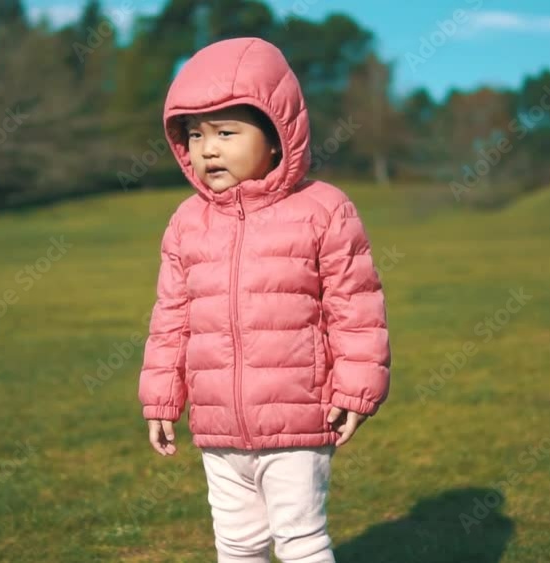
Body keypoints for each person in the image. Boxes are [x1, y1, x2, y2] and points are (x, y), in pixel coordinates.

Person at [138, 37, 391, 563]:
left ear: (277, 135)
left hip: (299, 418)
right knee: (236, 543)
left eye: (227, 132)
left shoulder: (324, 209)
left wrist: (356, 389)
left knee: (300, 541)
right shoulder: (187, 223)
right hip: (219, 427)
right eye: (195, 134)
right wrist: (161, 396)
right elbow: (170, 319)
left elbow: (356, 307)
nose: (208, 149)